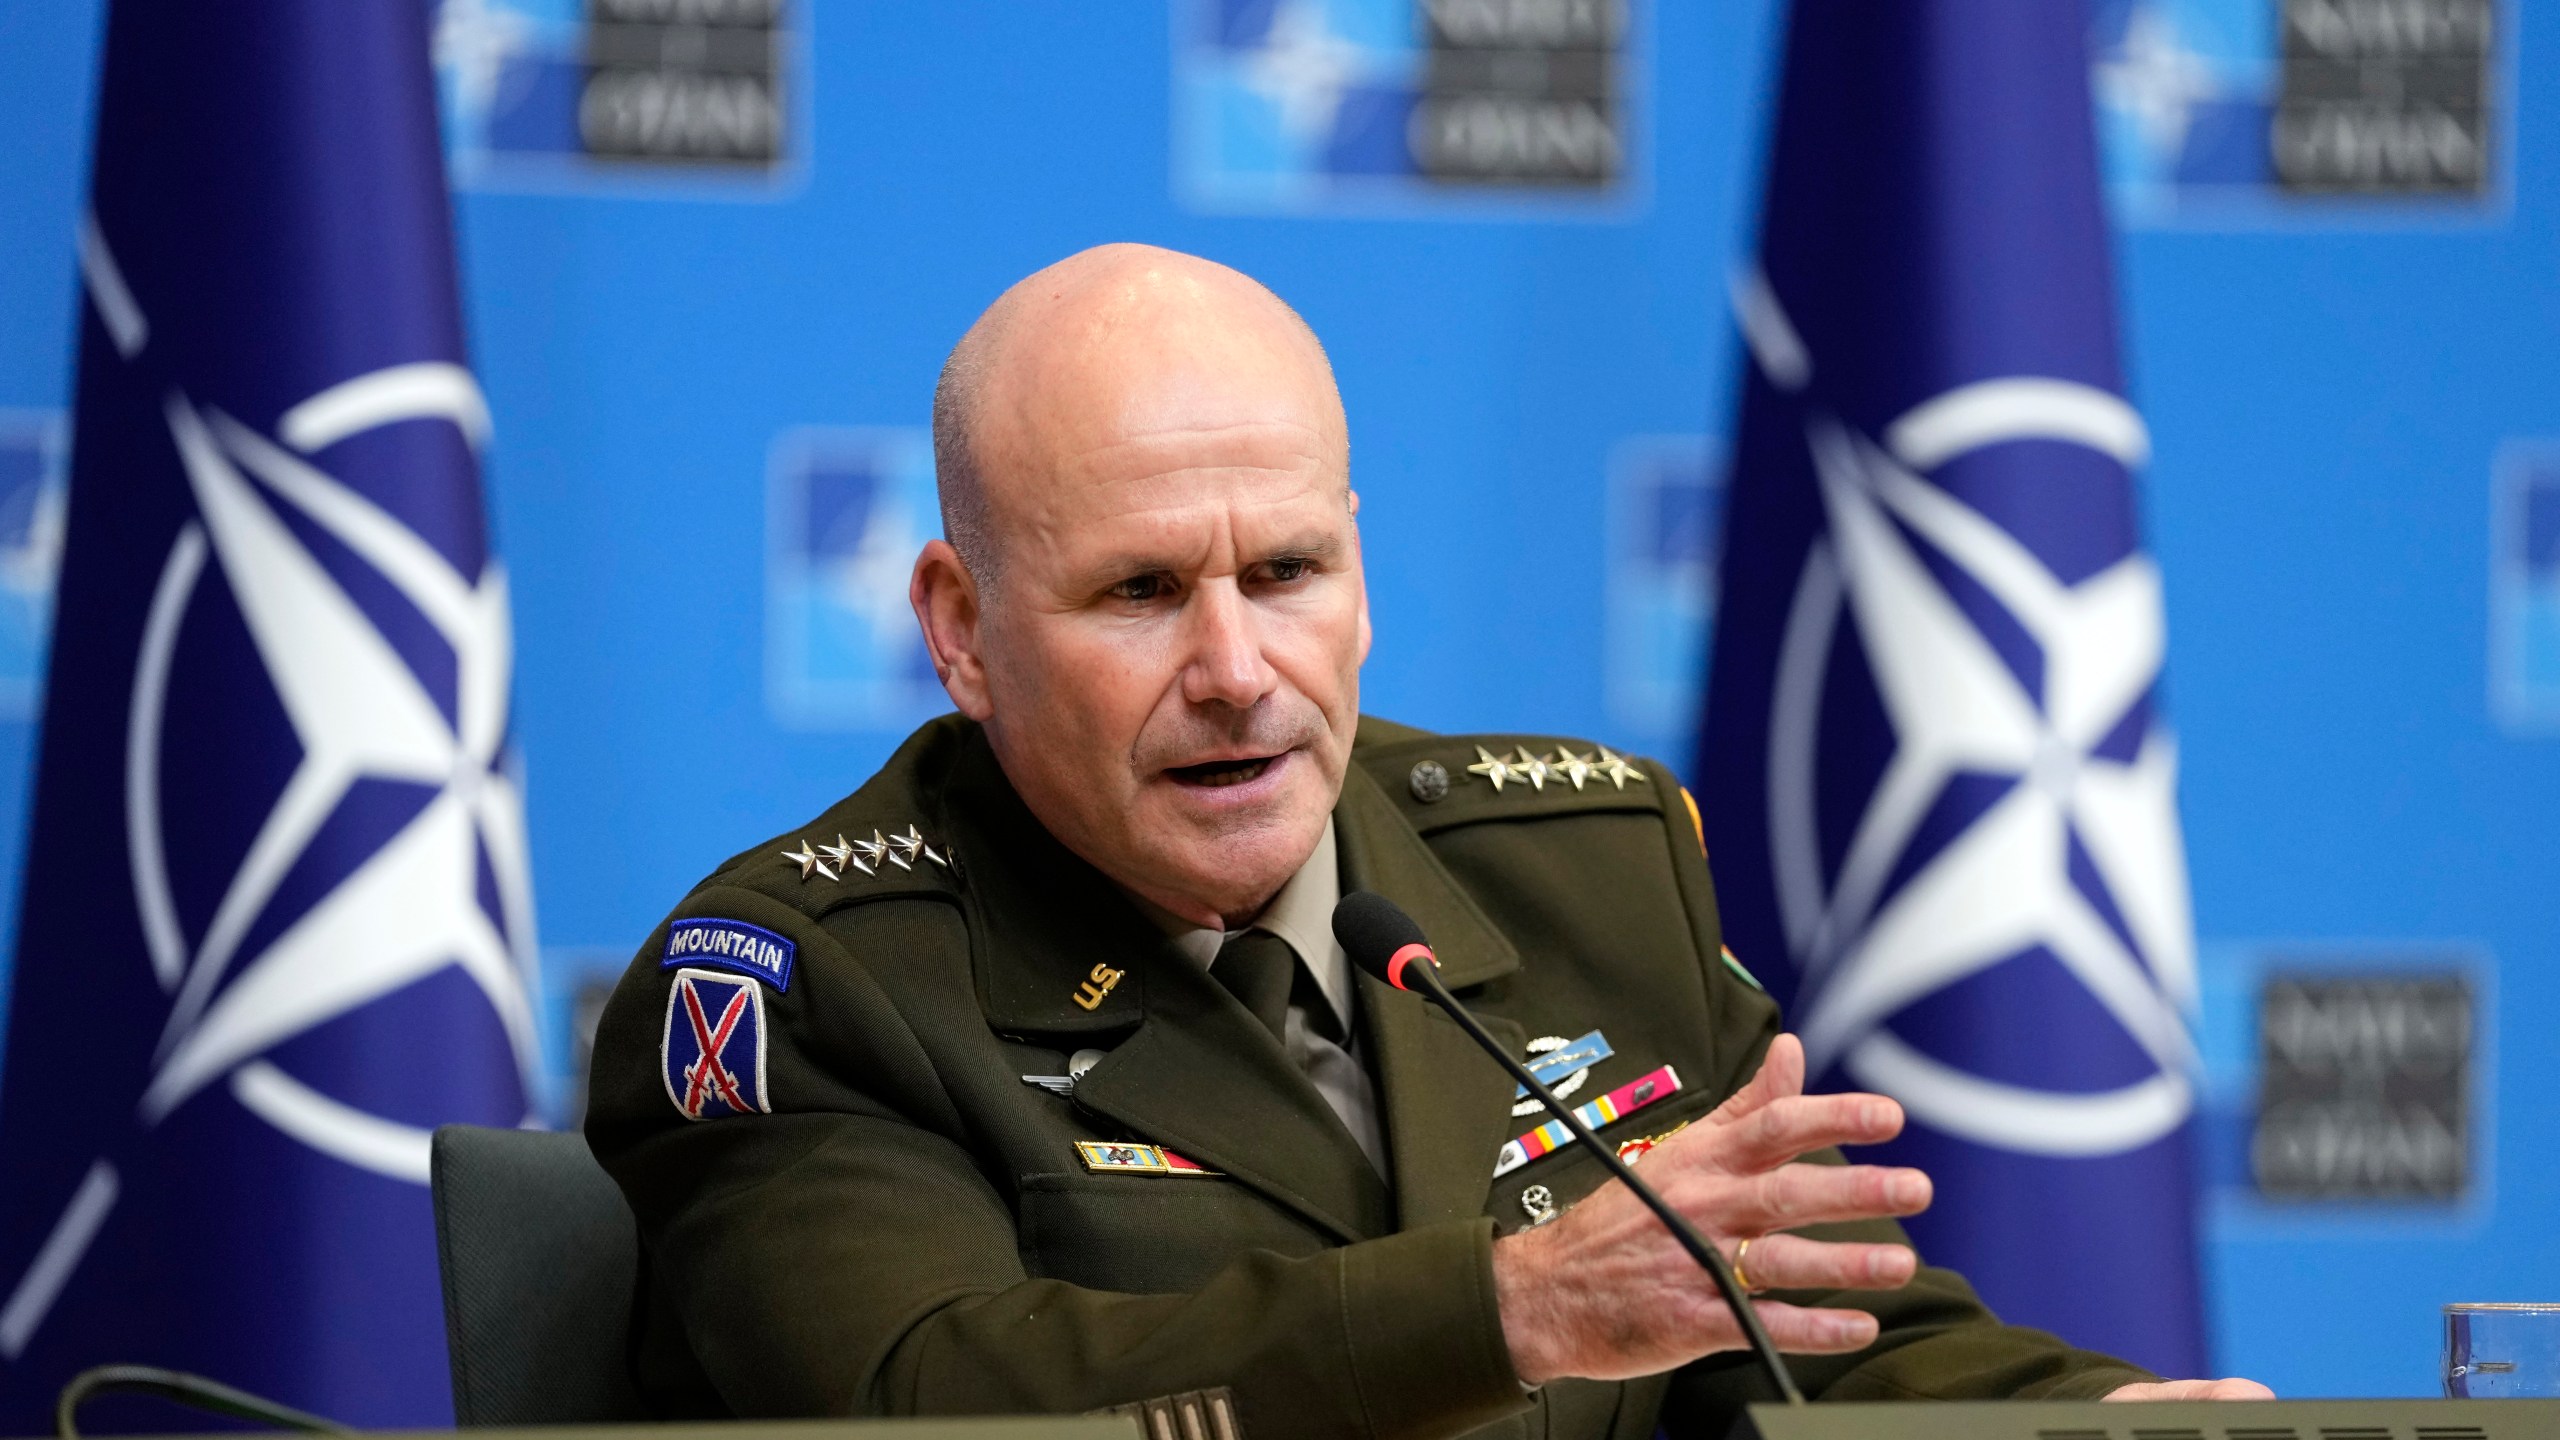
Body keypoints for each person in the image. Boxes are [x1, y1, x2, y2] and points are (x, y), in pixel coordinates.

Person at [582, 244, 2269, 1438]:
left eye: (1289, 574)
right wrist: (1509, 1309)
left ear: (1359, 571)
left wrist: (2110, 1423)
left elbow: (1804, 1338)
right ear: (961, 629)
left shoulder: (1588, 864)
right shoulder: (801, 992)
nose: (1238, 672)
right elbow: (929, 1404)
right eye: (1142, 593)